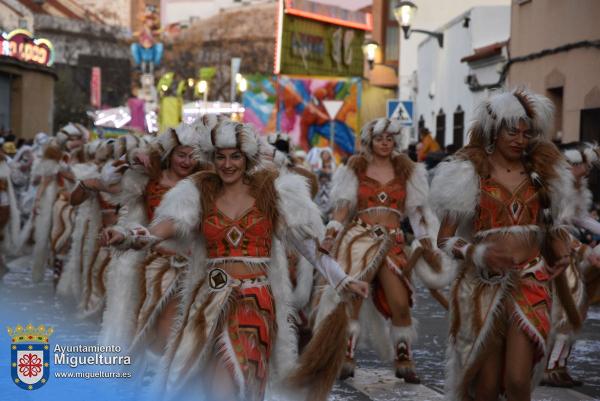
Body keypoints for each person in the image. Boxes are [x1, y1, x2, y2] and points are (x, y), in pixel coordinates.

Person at [102, 119, 369, 401]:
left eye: (235, 156)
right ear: (210, 158)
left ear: (248, 158)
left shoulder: (272, 192)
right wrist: (127, 235)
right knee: (204, 383)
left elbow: (309, 245)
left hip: (255, 302)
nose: (227, 164)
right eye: (220, 156)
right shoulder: (197, 192)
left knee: (241, 382)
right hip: (209, 302)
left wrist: (342, 280)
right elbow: (162, 229)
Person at [430, 88, 579, 401]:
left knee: (517, 381)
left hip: (532, 280)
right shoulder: (469, 173)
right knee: (483, 387)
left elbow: (555, 225)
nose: (520, 140)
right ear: (494, 132)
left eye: (526, 133)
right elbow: (444, 238)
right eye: (512, 131)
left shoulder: (544, 173)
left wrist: (563, 246)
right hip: (482, 286)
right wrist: (475, 252)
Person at [296, 117, 451, 400]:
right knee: (352, 298)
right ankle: (347, 357)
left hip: (392, 242)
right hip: (359, 239)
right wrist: (331, 235)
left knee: (400, 302)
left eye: (389, 139)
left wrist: (426, 242)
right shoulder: (354, 167)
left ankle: (404, 361)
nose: (384, 143)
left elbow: (417, 212)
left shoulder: (408, 170)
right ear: (370, 140)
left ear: (395, 141)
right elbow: (342, 209)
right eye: (379, 138)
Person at [541, 143, 600, 387]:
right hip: (556, 255)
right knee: (568, 309)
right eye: (585, 166)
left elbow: (580, 218)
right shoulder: (556, 187)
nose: (587, 170)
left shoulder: (576, 188)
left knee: (577, 309)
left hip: (568, 254)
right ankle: (551, 367)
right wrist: (582, 249)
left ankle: (559, 364)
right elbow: (553, 227)